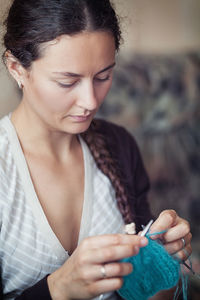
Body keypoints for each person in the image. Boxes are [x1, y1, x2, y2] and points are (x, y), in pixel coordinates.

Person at [0, 0, 192, 299]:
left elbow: (150, 293)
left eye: (103, 77)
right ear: (16, 69)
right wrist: (59, 288)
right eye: (68, 81)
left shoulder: (120, 147)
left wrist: (161, 258)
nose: (91, 101)